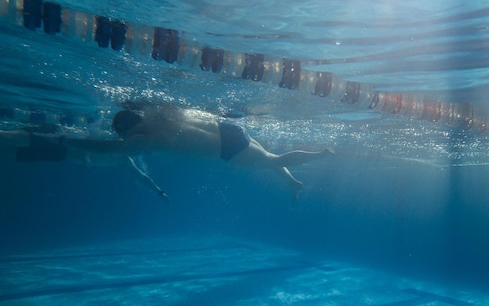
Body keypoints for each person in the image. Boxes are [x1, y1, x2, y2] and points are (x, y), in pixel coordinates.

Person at [61, 103, 335, 199]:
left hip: (224, 147)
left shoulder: (141, 139)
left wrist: (68, 141)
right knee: (265, 155)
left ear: (124, 129)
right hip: (226, 126)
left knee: (273, 159)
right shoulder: (158, 115)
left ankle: (321, 155)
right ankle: (293, 183)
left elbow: (103, 148)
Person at [0, 127, 170, 201]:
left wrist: (159, 192)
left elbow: (142, 177)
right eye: (137, 147)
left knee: (15, 153)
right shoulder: (114, 143)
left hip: (60, 154)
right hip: (61, 144)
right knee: (21, 139)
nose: (137, 151)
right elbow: (92, 139)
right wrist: (86, 158)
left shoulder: (124, 160)